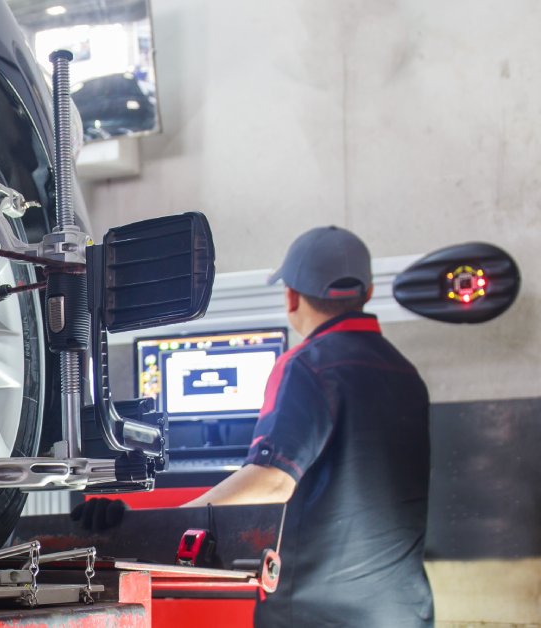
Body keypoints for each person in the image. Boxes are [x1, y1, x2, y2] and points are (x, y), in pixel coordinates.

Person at [182, 226, 434, 627]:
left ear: (292, 296)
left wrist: (175, 521)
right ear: (366, 294)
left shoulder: (307, 365)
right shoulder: (405, 374)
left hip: (316, 615)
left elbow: (273, 481)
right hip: (403, 611)